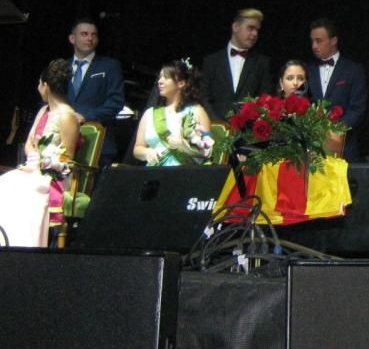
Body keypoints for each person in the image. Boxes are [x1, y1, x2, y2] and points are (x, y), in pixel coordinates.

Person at [0, 60, 79, 247]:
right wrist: (34, 161)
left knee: (23, 187)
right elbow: (29, 144)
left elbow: (67, 156)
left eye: (39, 84)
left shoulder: (67, 116)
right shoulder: (43, 110)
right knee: (6, 181)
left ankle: (25, 246)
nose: (38, 88)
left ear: (46, 86)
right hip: (34, 167)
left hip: (56, 174)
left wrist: (44, 164)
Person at [306, 18, 367, 162]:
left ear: (333, 41)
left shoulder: (353, 70)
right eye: (312, 41)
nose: (314, 46)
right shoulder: (307, 70)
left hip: (345, 147)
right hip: (312, 149)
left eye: (319, 41)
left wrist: (335, 131)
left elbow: (357, 109)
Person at [66, 18, 125, 165]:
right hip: (63, 141)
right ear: (72, 38)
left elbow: (116, 102)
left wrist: (85, 117)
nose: (90, 38)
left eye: (94, 35)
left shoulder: (110, 66)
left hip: (98, 143)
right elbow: (51, 99)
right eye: (84, 34)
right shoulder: (62, 67)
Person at [133, 60, 213, 166]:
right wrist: (147, 152)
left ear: (181, 83)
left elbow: (208, 151)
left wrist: (184, 146)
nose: (160, 81)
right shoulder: (150, 113)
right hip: (153, 173)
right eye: (160, 77)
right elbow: (137, 149)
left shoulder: (197, 111)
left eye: (166, 77)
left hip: (184, 174)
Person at [201, 8, 273, 121]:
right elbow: (204, 97)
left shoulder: (262, 63)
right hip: (215, 129)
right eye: (250, 28)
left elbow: (265, 97)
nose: (255, 34)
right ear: (235, 27)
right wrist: (218, 124)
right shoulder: (211, 61)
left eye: (257, 30)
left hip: (248, 132)